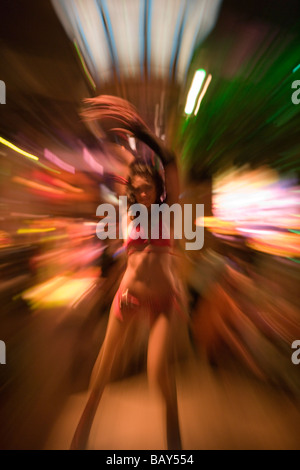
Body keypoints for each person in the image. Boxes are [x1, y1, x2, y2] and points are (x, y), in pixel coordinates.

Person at [70, 96, 186, 450]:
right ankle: (81, 433)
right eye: (135, 189)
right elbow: (128, 258)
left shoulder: (168, 209)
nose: (140, 191)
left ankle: (174, 443)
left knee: (157, 374)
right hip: (128, 296)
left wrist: (142, 133)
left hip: (163, 300)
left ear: (157, 188)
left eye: (146, 186)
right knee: (103, 369)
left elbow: (169, 160)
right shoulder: (131, 214)